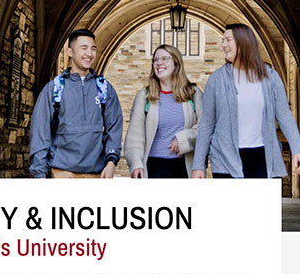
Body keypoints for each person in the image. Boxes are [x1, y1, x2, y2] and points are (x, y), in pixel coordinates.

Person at [191, 23, 300, 179]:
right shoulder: (217, 80)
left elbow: (284, 116)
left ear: (243, 42)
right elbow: (207, 124)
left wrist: (298, 150)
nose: (223, 45)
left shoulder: (270, 77)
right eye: (222, 40)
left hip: (263, 157)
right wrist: (198, 165)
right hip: (226, 159)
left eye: (227, 40)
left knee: (261, 204)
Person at [29, 29, 123, 178]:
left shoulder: (104, 88)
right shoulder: (54, 89)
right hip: (62, 172)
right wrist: (39, 174)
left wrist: (111, 161)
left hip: (96, 174)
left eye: (93, 49)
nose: (89, 54)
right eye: (83, 48)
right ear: (70, 52)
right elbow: (40, 133)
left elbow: (114, 127)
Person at [124, 44, 202, 178]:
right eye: (155, 60)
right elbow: (135, 137)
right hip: (153, 167)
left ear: (176, 63)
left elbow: (205, 128)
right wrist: (136, 163)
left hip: (184, 167)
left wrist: (183, 138)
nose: (159, 63)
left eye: (164, 59)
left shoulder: (193, 94)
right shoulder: (145, 96)